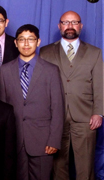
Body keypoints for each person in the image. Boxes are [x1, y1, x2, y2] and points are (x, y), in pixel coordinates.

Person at [39, 11, 103, 180]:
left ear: (81, 26)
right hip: (55, 117)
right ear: (59, 26)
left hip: (85, 116)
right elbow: (41, 86)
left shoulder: (94, 52)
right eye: (66, 22)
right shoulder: (45, 52)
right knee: (58, 165)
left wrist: (99, 112)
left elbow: (100, 84)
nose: (70, 26)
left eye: (74, 22)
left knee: (85, 165)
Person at [0, 24, 65, 180]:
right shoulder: (5, 70)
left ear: (38, 41)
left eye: (30, 39)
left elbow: (58, 108)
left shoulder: (51, 70)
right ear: (15, 43)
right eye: (22, 40)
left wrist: (54, 140)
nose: (26, 44)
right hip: (14, 140)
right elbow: (1, 110)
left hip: (43, 141)